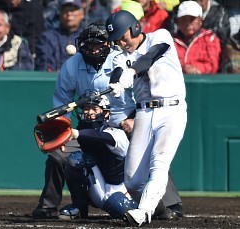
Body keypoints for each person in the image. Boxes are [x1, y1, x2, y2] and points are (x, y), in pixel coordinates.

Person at [32, 21, 183, 220]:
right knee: (59, 157)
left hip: (124, 122)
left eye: (99, 44)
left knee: (153, 152)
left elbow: (141, 90)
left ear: (108, 44)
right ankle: (55, 206)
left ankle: (170, 204)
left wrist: (134, 118)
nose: (94, 49)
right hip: (88, 125)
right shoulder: (71, 66)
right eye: (89, 45)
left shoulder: (120, 57)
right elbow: (62, 100)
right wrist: (63, 130)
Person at [106, 10, 187, 226]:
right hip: (144, 113)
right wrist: (116, 83)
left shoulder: (159, 36)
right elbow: (117, 69)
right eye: (117, 41)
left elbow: (152, 55)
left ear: (135, 28)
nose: (122, 44)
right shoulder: (120, 55)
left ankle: (142, 212)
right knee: (132, 181)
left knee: (159, 163)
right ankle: (159, 210)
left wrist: (130, 73)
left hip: (171, 110)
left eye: (124, 37)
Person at [58, 91, 139, 220]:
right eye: (86, 108)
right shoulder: (83, 133)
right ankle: (79, 207)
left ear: (106, 113)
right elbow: (84, 138)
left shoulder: (115, 133)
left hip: (120, 189)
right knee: (75, 160)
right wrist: (60, 142)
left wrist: (74, 133)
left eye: (94, 108)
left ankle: (154, 209)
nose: (89, 112)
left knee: (121, 207)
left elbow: (100, 137)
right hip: (99, 187)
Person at [35, 0, 84, 71]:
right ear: (60, 14)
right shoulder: (47, 37)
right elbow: (44, 63)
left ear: (82, 14)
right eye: (65, 10)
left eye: (73, 10)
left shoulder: (88, 37)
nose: (69, 14)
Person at [173, 1, 221, 74]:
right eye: (183, 19)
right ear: (178, 22)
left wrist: (194, 68)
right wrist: (184, 68)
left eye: (192, 19)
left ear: (200, 21)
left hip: (203, 82)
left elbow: (212, 65)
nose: (188, 23)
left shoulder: (210, 39)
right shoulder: (171, 40)